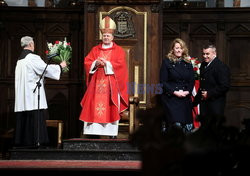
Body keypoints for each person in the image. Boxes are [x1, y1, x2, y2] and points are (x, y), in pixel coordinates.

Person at [79, 16, 129, 138]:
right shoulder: (95, 49)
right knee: (92, 104)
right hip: (96, 84)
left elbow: (121, 65)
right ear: (102, 36)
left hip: (111, 85)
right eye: (104, 35)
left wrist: (106, 63)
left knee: (110, 106)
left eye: (108, 35)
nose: (106, 37)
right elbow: (87, 62)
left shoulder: (118, 50)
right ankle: (93, 133)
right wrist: (95, 63)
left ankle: (110, 133)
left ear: (112, 37)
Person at [14, 36, 67, 148]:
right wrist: (60, 67)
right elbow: (44, 69)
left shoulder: (20, 60)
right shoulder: (32, 58)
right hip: (32, 96)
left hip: (23, 96)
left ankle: (23, 143)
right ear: (31, 45)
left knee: (25, 118)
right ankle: (36, 142)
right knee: (35, 117)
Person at [160, 38, 195, 133]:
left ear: (184, 50)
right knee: (176, 126)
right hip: (171, 98)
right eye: (177, 48)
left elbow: (192, 80)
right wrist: (175, 92)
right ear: (173, 49)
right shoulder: (167, 62)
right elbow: (163, 82)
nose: (179, 50)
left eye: (181, 48)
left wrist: (187, 91)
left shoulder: (187, 63)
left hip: (185, 97)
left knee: (187, 128)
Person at [194, 44, 230, 117]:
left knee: (214, 127)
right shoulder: (203, 64)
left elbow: (225, 86)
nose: (204, 56)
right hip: (204, 104)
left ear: (214, 53)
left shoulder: (221, 66)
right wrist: (195, 102)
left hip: (215, 104)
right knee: (204, 127)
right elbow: (202, 85)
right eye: (203, 54)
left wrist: (209, 93)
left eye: (207, 54)